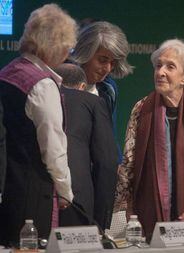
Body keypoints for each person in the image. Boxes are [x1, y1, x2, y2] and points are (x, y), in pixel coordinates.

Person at [114, 39, 184, 238]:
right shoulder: (141, 109)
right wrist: (128, 210)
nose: (160, 72)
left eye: (170, 66)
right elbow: (128, 165)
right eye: (158, 66)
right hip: (147, 219)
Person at [0, 4, 77, 246]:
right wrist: (65, 190)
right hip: (32, 195)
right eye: (67, 47)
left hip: (8, 189)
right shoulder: (42, 85)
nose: (68, 52)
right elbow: (53, 147)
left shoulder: (7, 72)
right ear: (54, 46)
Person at [54, 63, 118, 229]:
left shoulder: (36, 97)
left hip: (38, 196)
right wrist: (101, 220)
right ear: (82, 86)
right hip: (77, 199)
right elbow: (106, 162)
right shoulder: (93, 102)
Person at [71, 21, 133, 163]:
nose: (107, 69)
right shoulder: (59, 83)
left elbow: (108, 138)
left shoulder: (109, 89)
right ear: (85, 52)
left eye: (112, 63)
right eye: (102, 60)